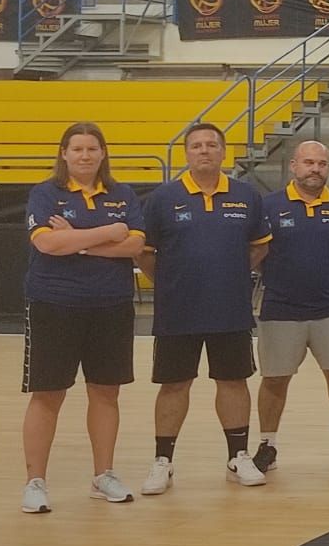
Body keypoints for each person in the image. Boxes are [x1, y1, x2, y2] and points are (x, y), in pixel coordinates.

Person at [137, 120, 272, 495]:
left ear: (223, 152)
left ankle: (237, 456)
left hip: (229, 308)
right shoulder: (163, 198)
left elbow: (260, 246)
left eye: (212, 145)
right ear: (186, 153)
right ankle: (163, 461)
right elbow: (145, 254)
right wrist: (172, 281)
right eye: (196, 145)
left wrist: (230, 272)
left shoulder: (246, 195)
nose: (204, 151)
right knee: (174, 384)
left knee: (233, 381)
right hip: (178, 310)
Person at [20, 122, 146, 512]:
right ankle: (35, 482)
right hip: (54, 304)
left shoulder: (123, 194)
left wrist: (78, 241)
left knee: (106, 392)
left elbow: (135, 245)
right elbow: (47, 243)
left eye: (92, 149)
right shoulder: (45, 193)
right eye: (77, 149)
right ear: (64, 153)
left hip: (111, 306)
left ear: (103, 153)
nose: (85, 155)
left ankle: (103, 475)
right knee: (48, 394)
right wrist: (109, 230)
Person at [254, 139, 329, 475]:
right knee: (274, 380)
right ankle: (267, 444)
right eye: (308, 162)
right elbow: (258, 253)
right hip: (280, 308)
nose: (314, 169)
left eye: (321, 163)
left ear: (327, 168)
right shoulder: (269, 206)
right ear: (294, 166)